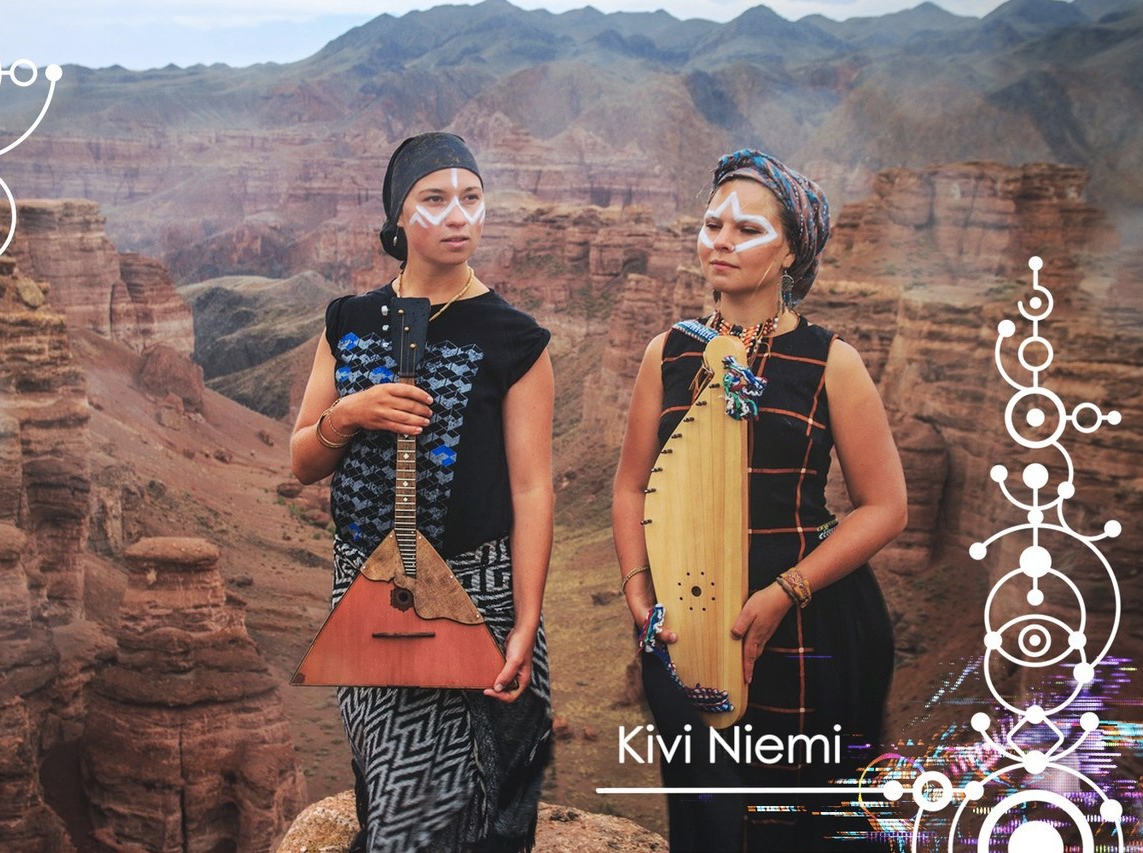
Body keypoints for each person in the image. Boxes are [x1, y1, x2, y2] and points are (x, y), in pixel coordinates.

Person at [612, 149, 907, 851]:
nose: (721, 241)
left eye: (747, 230)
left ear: (791, 251)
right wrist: (638, 593)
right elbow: (629, 485)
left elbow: (885, 506)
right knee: (709, 824)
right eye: (712, 224)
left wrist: (784, 592)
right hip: (688, 629)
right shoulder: (667, 354)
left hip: (809, 629)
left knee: (801, 828)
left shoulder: (831, 362)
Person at [289, 132, 554, 852]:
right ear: (398, 218)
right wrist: (349, 414)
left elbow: (532, 488)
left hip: (478, 588)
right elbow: (303, 461)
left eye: (472, 197)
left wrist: (526, 618)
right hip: (368, 589)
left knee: (470, 801)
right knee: (391, 786)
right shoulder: (347, 321)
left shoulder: (515, 338)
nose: (457, 215)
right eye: (434, 199)